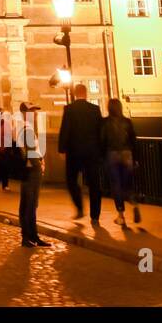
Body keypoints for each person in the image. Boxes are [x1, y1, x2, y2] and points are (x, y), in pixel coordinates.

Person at [58, 83, 105, 224]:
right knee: (94, 184)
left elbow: (65, 129)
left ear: (74, 93)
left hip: (74, 152)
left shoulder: (69, 109)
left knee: (71, 180)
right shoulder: (95, 109)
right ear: (85, 93)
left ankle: (79, 207)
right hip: (92, 151)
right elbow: (100, 131)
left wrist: (62, 149)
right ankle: (95, 216)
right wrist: (101, 150)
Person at [101, 98, 139, 226]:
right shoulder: (128, 122)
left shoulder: (105, 122)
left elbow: (102, 140)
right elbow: (134, 140)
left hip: (112, 154)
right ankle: (133, 202)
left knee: (116, 184)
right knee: (127, 182)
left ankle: (121, 215)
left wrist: (101, 156)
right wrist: (137, 158)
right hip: (127, 153)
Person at [17, 103, 50, 248]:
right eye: (32, 111)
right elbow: (31, 153)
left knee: (26, 204)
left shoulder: (22, 128)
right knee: (30, 205)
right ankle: (29, 236)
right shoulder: (27, 129)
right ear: (25, 113)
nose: (36, 114)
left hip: (26, 170)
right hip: (31, 171)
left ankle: (30, 236)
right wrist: (40, 166)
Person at [0, 107, 15, 192]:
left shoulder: (6, 124)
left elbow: (10, 134)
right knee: (3, 164)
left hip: (6, 148)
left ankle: (3, 184)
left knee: (5, 166)